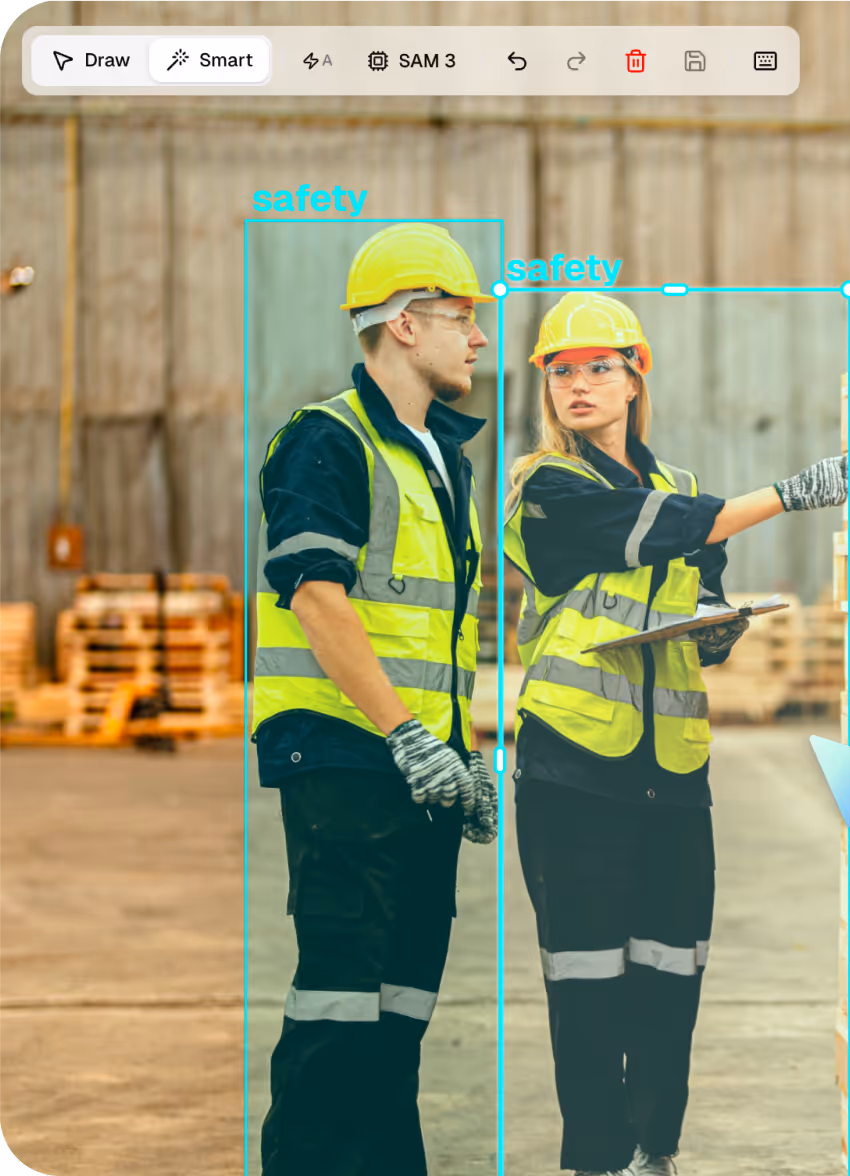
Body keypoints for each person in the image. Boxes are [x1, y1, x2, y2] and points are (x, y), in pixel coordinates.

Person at [505, 292, 850, 1176]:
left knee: (672, 972)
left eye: (599, 367)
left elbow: (699, 591)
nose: (578, 384)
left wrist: (716, 629)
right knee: (588, 980)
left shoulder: (685, 490)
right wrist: (792, 494)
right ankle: (598, 1159)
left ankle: (655, 1151)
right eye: (561, 371)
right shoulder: (544, 487)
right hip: (571, 770)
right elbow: (660, 533)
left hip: (670, 773)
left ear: (635, 379)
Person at [253, 222, 500, 1175]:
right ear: (403, 324)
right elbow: (316, 596)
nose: (478, 336)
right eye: (461, 316)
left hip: (419, 766)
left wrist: (461, 750)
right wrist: (407, 735)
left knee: (401, 1012)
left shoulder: (444, 459)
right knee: (340, 1006)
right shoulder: (327, 439)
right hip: (347, 758)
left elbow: (438, 634)